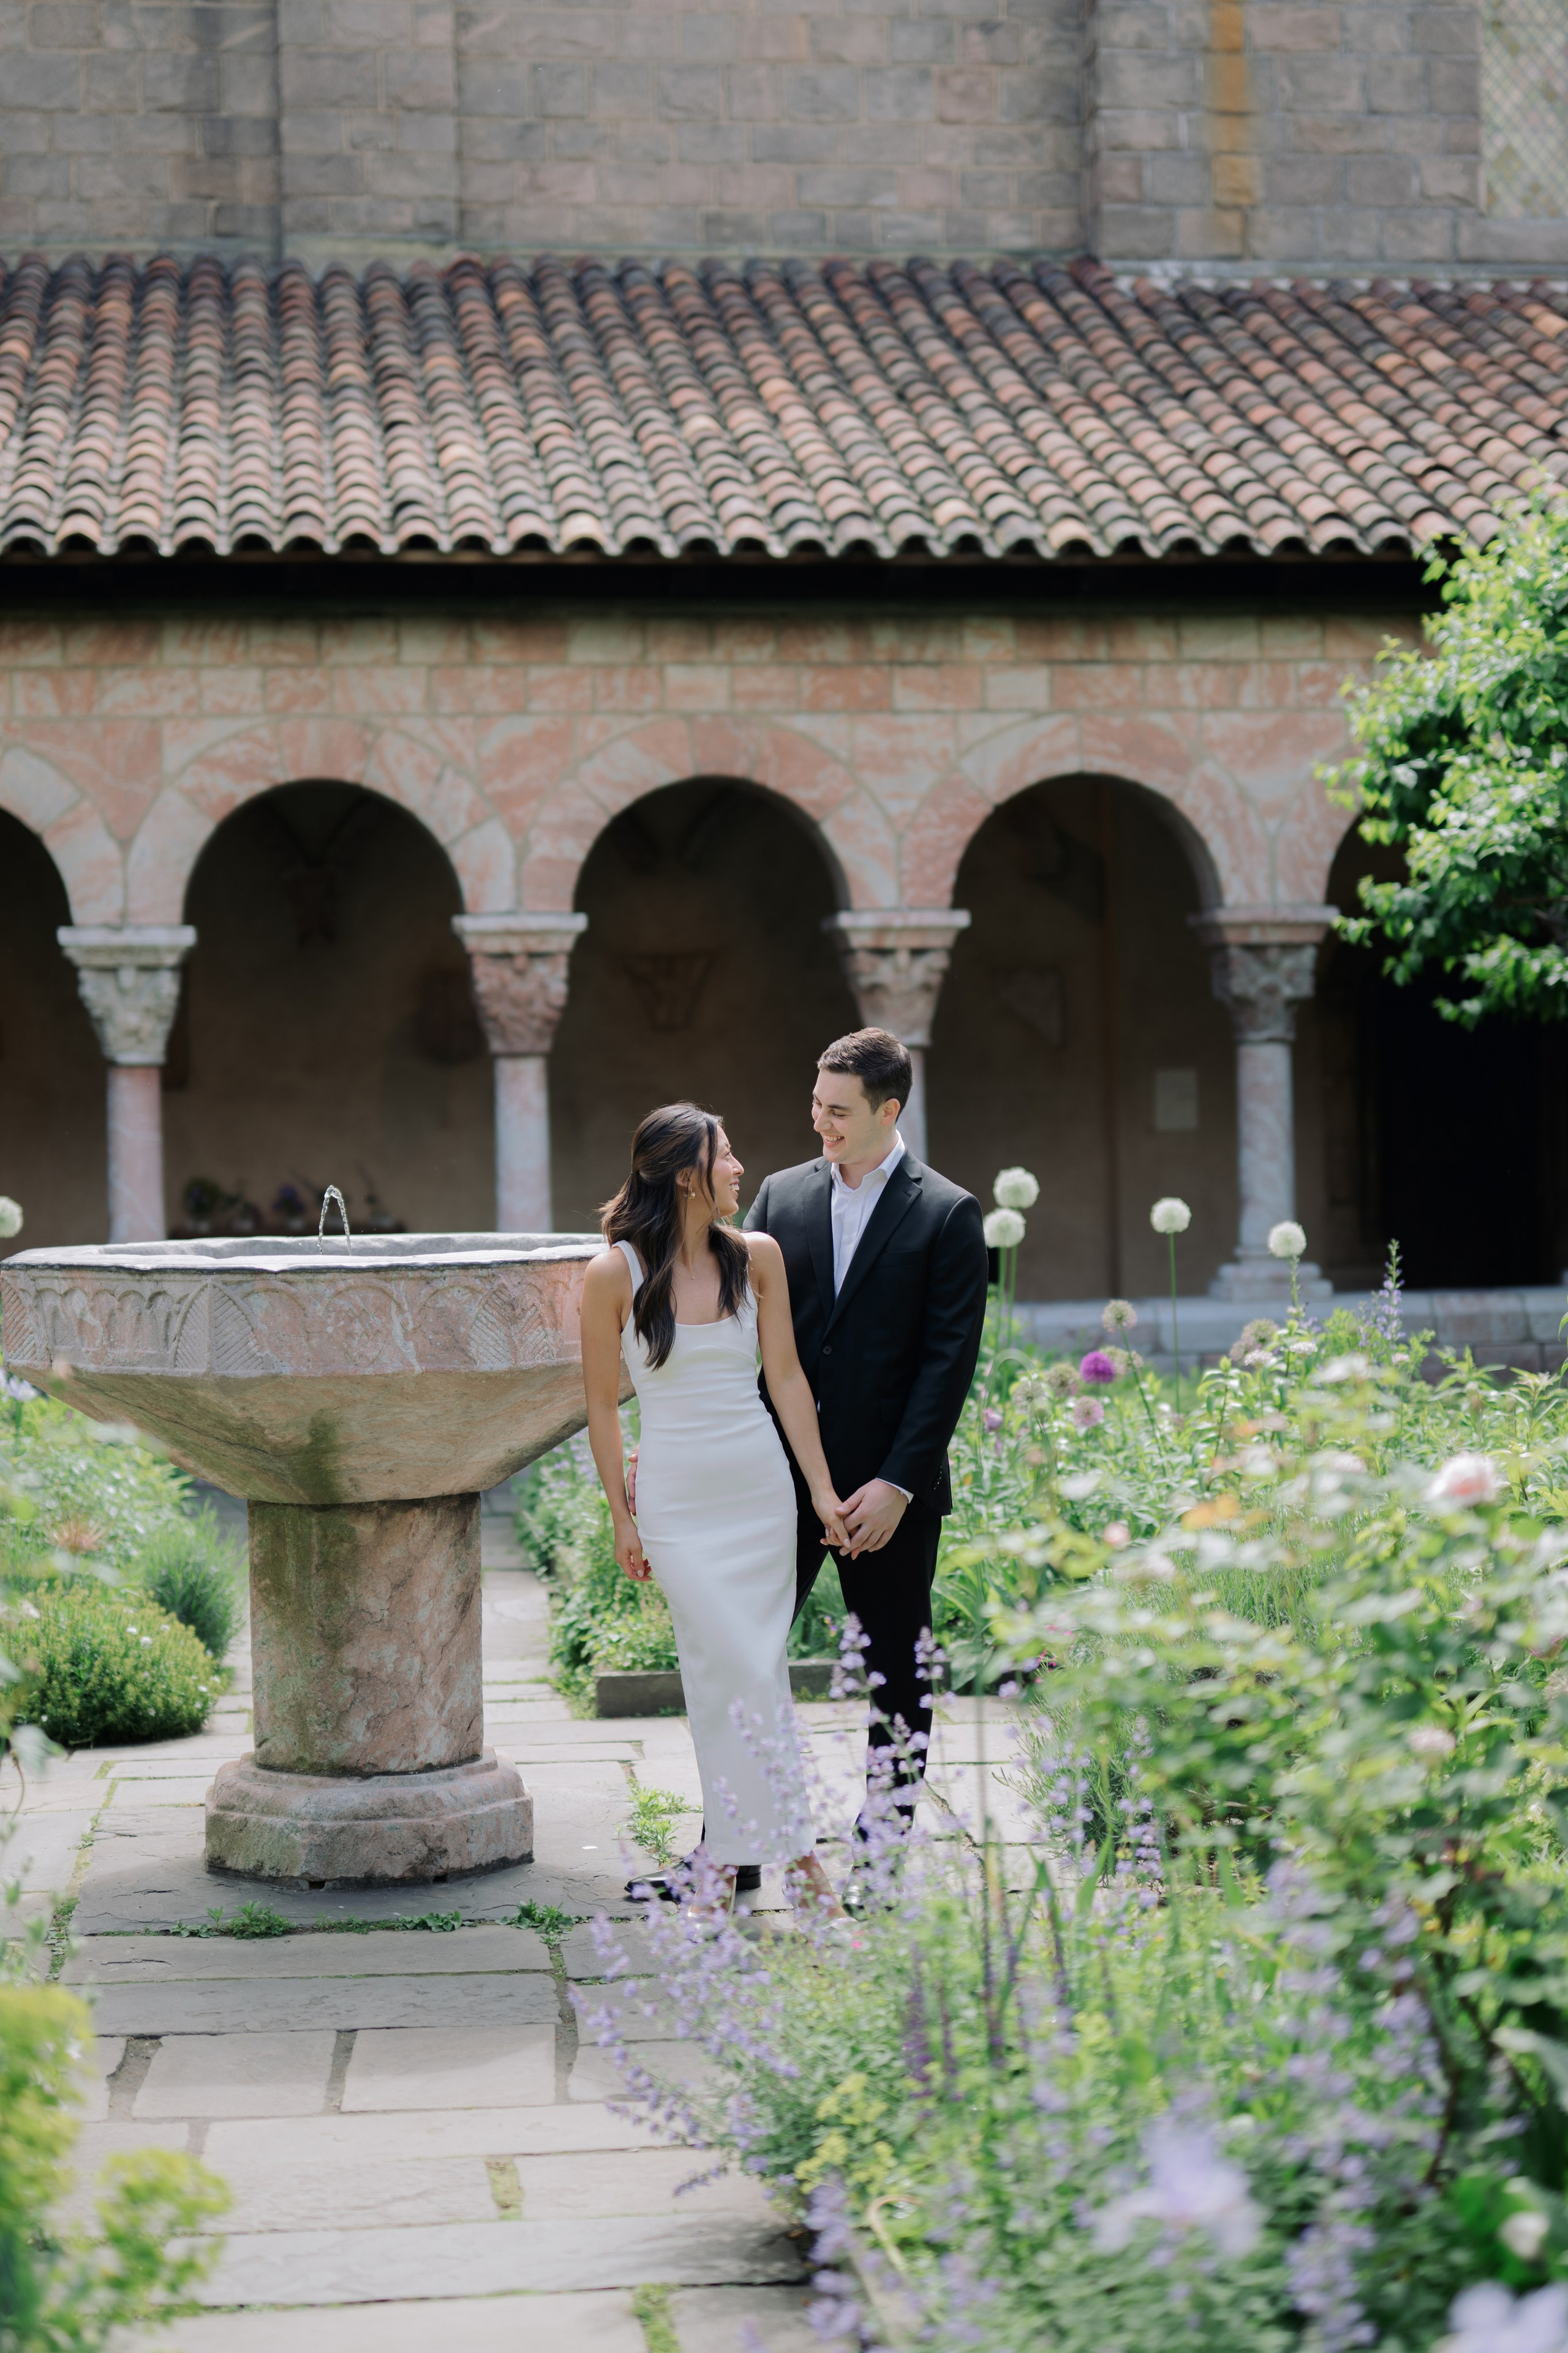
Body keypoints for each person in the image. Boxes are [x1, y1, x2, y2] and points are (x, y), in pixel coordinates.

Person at [580, 1102, 850, 1928]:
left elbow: (789, 1381)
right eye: (726, 1155)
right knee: (734, 1671)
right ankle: (802, 1862)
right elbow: (600, 1408)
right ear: (688, 1174)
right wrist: (623, 1516)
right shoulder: (613, 1274)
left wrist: (821, 1491)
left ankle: (728, 1869)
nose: (740, 1168)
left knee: (740, 1676)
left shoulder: (757, 1257)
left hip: (758, 1495)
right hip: (677, 1504)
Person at [744, 1027, 988, 1864]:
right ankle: (733, 1852)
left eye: (839, 1110)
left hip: (888, 1493)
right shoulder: (778, 1198)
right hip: (782, 1478)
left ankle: (879, 1855)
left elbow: (946, 1363)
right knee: (740, 1660)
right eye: (816, 1104)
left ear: (889, 1111)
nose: (822, 1122)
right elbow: (745, 1334)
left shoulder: (949, 1213)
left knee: (896, 1672)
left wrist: (897, 1483)